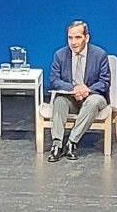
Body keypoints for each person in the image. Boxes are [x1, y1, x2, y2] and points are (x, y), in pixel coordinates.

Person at [46, 20, 112, 161]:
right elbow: (54, 80)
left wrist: (87, 89)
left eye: (78, 37)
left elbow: (104, 82)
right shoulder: (59, 55)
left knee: (93, 102)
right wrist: (73, 89)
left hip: (93, 96)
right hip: (70, 97)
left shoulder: (100, 55)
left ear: (86, 38)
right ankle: (57, 145)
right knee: (59, 101)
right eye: (70, 38)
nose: (73, 42)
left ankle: (71, 142)